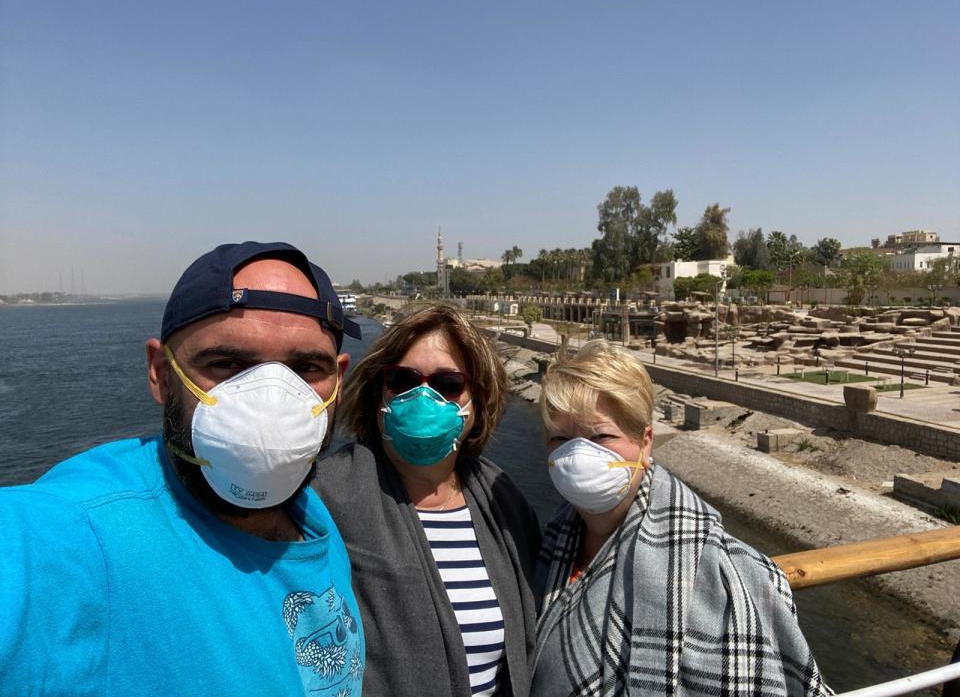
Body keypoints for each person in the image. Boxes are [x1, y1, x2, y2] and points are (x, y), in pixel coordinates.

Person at [0, 241, 366, 696]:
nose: (272, 403)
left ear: (339, 378)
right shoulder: (80, 533)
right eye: (227, 363)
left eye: (306, 367)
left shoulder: (311, 516)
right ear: (160, 373)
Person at [532, 340, 830, 697]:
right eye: (561, 438)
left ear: (645, 443)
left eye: (602, 436)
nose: (579, 454)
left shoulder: (723, 571)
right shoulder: (547, 545)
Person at [314, 304, 541, 697]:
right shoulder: (326, 497)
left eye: (448, 383)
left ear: (476, 402)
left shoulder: (504, 502)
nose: (422, 395)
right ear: (379, 391)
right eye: (402, 380)